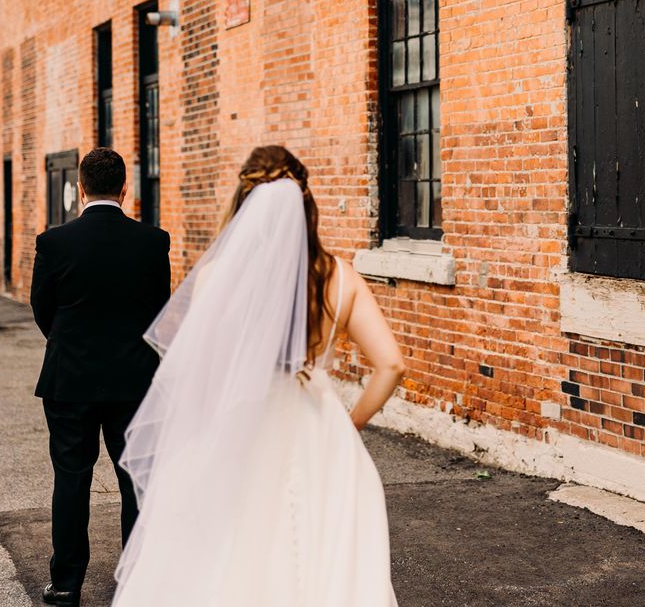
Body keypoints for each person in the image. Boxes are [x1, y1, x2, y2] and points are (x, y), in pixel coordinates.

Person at [112, 145, 406, 606]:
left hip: (240, 423)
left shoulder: (216, 277)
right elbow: (391, 364)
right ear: (306, 203)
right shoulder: (339, 277)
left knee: (235, 548)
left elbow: (200, 371)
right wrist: (351, 424)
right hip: (318, 430)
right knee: (323, 553)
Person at [30, 148, 171, 607]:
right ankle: (138, 578)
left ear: (81, 189)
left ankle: (67, 583)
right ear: (125, 189)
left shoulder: (53, 243)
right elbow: (158, 312)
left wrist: (70, 343)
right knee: (134, 479)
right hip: (134, 380)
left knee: (71, 478)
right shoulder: (153, 241)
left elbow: (42, 310)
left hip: (69, 379)